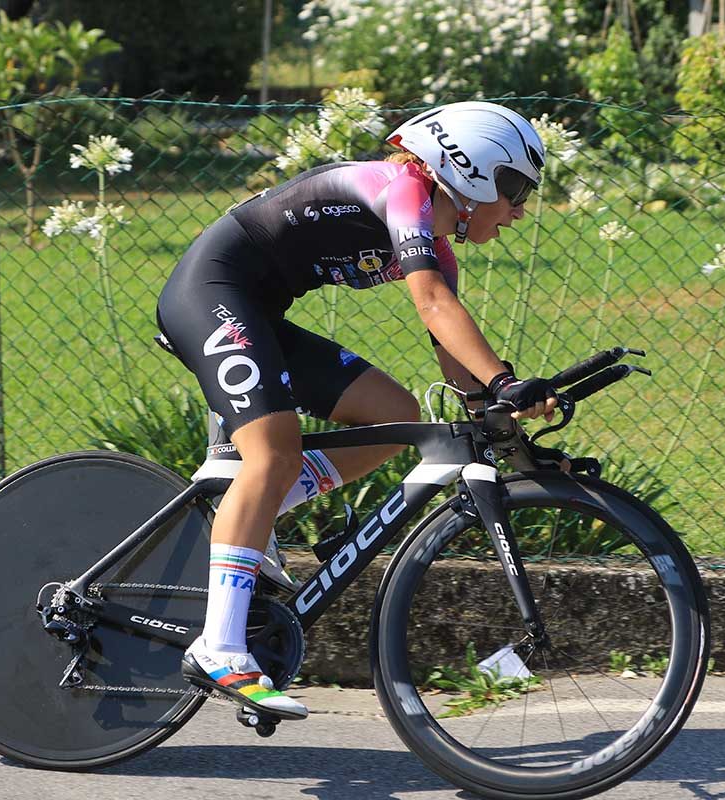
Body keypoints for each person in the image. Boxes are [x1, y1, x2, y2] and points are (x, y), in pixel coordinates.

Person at [156, 101, 560, 721]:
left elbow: (451, 349)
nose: (519, 210)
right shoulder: (406, 192)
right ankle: (219, 647)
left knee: (394, 417)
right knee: (274, 450)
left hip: (257, 315)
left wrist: (493, 411)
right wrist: (505, 379)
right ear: (473, 171)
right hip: (209, 292)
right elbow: (432, 305)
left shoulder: (432, 236)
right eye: (515, 190)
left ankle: (257, 510)